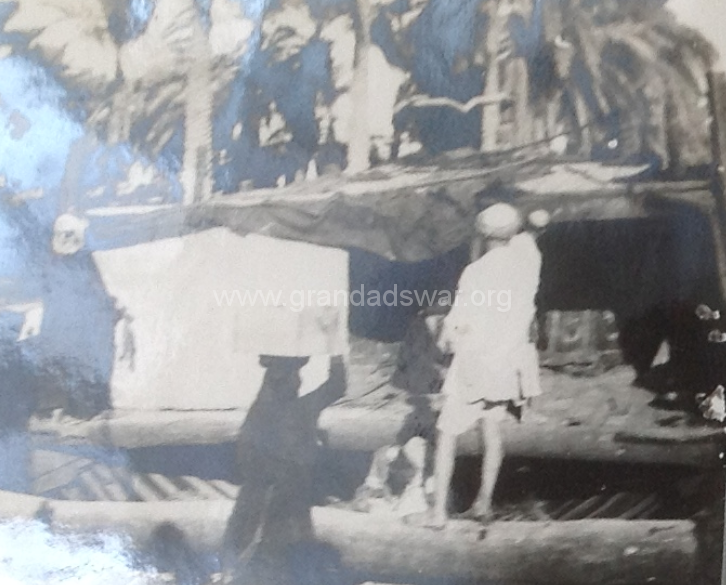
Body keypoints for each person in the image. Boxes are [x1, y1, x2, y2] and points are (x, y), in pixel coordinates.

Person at [426, 202, 543, 528]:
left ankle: (436, 513)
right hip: (507, 366)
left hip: (474, 367)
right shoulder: (527, 264)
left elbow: (456, 326)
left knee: (446, 433)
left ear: (482, 234)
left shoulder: (476, 273)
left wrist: (442, 338)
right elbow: (531, 235)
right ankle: (483, 504)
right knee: (491, 429)